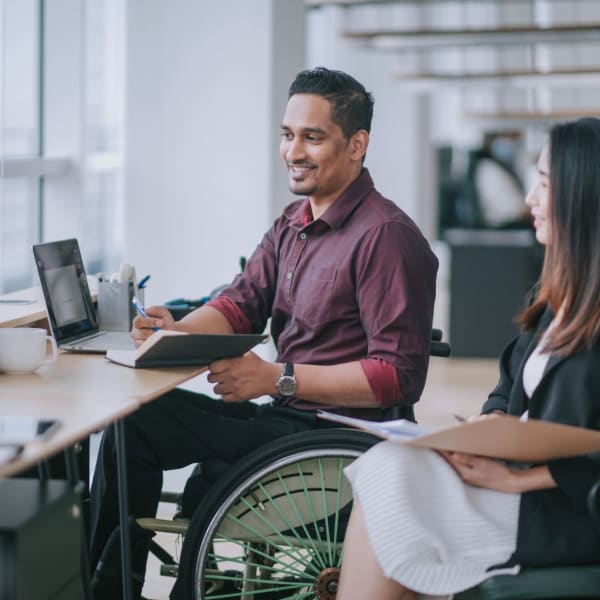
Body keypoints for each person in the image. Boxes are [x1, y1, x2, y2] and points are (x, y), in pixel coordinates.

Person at [89, 66, 438, 599]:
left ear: (356, 144)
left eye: (312, 137)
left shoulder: (386, 238)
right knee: (131, 421)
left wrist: (277, 378)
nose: (293, 151)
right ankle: (110, 587)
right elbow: (239, 303)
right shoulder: (294, 221)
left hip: (335, 443)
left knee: (151, 432)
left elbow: (397, 377)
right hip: (283, 423)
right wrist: (177, 330)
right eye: (287, 134)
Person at [337, 117, 600, 600]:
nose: (530, 201)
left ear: (583, 195)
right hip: (517, 480)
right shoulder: (559, 298)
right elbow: (510, 380)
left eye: (544, 183)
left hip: (564, 508)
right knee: (389, 465)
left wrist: (518, 479)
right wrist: (492, 421)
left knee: (394, 484)